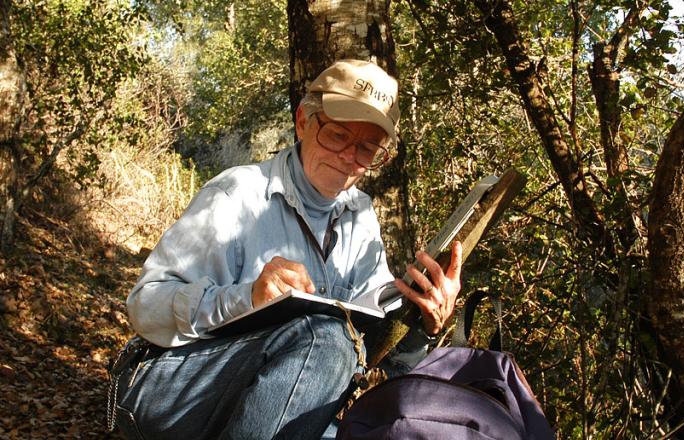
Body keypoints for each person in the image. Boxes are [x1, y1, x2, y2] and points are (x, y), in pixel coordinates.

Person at [109, 59, 463, 440]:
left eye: (367, 149)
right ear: (302, 121)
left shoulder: (360, 216)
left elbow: (371, 355)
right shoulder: (237, 194)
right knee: (324, 339)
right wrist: (246, 298)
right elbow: (145, 305)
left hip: (273, 413)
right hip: (169, 391)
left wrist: (425, 325)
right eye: (338, 136)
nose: (349, 158)